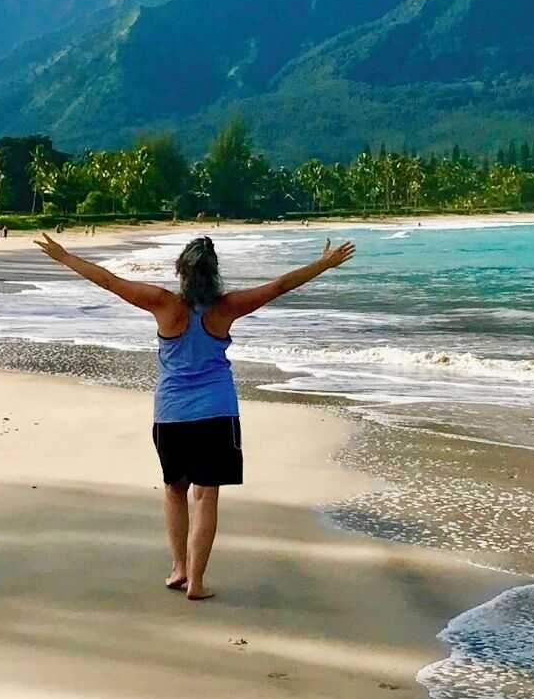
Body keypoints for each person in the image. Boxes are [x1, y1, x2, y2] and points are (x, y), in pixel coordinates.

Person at [33, 230, 355, 600]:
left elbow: (109, 281)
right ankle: (197, 583)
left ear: (180, 271)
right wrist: (323, 264)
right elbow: (280, 286)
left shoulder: (162, 303)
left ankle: (178, 570)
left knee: (175, 489)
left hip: (172, 414)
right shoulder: (227, 307)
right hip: (217, 412)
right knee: (205, 495)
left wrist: (64, 257)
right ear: (214, 273)